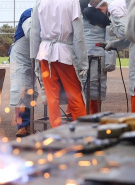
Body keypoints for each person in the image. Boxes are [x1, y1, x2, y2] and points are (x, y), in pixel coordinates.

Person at [83, 0, 135, 113]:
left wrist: (113, 28)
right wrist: (113, 45)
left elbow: (126, 32)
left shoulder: (114, 7)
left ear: (100, 9)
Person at [30, 0, 88, 128]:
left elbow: (34, 33)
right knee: (75, 96)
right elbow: (79, 35)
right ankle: (83, 133)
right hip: (65, 54)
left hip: (44, 54)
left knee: (52, 100)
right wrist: (83, 62)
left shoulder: (40, 3)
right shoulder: (72, 2)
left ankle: (56, 134)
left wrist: (34, 59)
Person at [78, 0, 116, 114]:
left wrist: (109, 61)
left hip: (98, 56)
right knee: (79, 86)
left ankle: (94, 114)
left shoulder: (106, 18)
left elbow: (110, 38)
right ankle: (78, 115)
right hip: (83, 55)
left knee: (96, 88)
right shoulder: (80, 14)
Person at [9, 8, 38, 137]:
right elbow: (31, 33)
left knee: (30, 91)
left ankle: (28, 124)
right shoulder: (29, 13)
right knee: (20, 89)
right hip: (20, 58)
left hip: (32, 57)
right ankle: (22, 126)